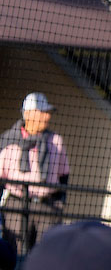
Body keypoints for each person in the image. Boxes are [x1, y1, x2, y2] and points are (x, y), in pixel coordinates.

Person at [0, 93, 70, 253]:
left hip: (48, 207)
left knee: (46, 258)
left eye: (48, 112)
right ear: (28, 114)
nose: (47, 116)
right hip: (16, 206)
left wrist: (60, 203)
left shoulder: (55, 140)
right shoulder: (8, 140)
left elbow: (64, 175)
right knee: (14, 255)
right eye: (42, 112)